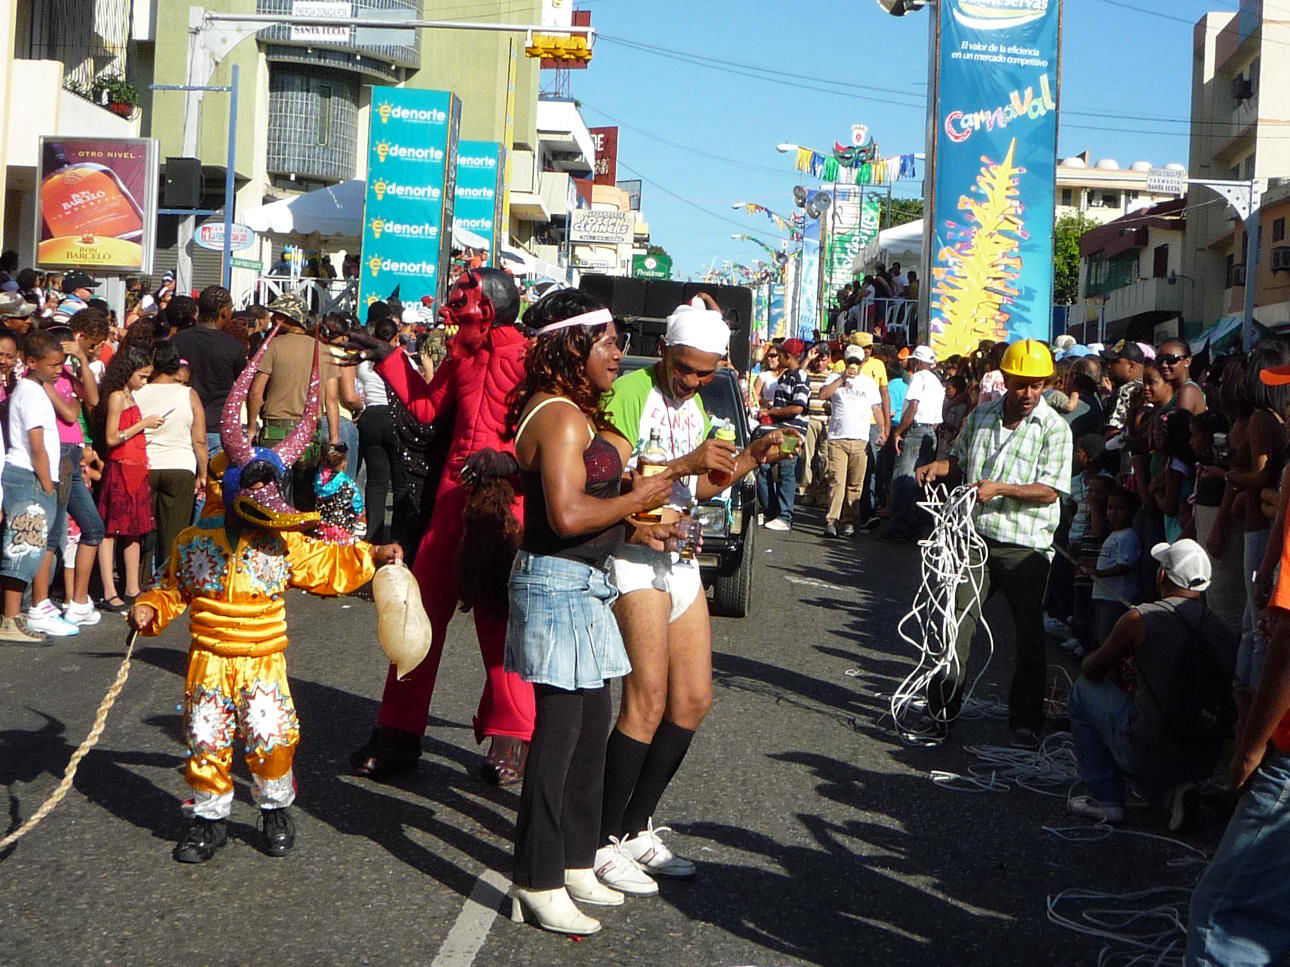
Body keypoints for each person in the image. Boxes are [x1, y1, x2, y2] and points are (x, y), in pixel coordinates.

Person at [130, 333, 402, 864]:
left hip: (263, 662)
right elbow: (170, 589)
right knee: (206, 739)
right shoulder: (195, 542)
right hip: (208, 660)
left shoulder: (286, 543)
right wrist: (149, 608)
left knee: (271, 737)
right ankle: (208, 820)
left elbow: (329, 565)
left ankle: (274, 809)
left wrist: (374, 557)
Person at [593, 295, 791, 895]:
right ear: (663, 352)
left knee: (694, 700)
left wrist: (753, 457)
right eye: (687, 368)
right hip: (633, 556)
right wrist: (687, 462)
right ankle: (599, 840)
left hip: (681, 559)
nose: (695, 381)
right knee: (646, 701)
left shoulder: (699, 402)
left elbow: (703, 486)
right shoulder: (632, 394)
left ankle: (636, 828)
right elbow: (608, 479)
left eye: (707, 372)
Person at [504, 292, 678, 934]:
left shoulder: (572, 412)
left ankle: (577, 860)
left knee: (587, 735)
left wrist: (637, 526)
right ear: (570, 346)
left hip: (584, 585)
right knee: (558, 742)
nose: (617, 351)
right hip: (555, 586)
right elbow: (568, 516)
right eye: (605, 340)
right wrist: (642, 494)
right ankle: (536, 876)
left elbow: (587, 518)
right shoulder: (560, 418)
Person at [347, 268, 535, 786]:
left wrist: (507, 457)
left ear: (489, 308)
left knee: (501, 624)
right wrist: (386, 358)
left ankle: (514, 736)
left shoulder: (529, 359)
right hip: (453, 500)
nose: (452, 313)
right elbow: (429, 407)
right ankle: (397, 732)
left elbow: (552, 433)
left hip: (504, 505)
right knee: (417, 612)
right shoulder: (462, 356)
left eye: (462, 303)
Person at [914, 339, 1073, 747]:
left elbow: (1051, 491)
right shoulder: (980, 415)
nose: (1030, 394)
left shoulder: (1055, 428)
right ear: (1005, 380)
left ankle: (1025, 721)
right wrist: (939, 466)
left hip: (1026, 547)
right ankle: (940, 713)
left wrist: (1000, 489)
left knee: (1029, 636)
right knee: (953, 625)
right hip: (975, 539)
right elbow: (961, 461)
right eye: (1022, 384)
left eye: (1038, 385)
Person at [1067, 539, 1236, 827]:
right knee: (1156, 722)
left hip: (1148, 751)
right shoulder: (1223, 630)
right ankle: (1175, 794)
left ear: (1162, 575)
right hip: (1204, 758)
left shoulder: (1141, 618)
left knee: (1083, 690)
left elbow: (1093, 669)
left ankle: (1106, 798)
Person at [0, 331, 69, 643]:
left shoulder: (36, 391)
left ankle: (13, 617)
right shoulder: (29, 393)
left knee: (29, 547)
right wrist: (46, 483)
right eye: (53, 364)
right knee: (22, 546)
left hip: (33, 475)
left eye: (61, 364)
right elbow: (36, 444)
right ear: (31, 362)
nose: (58, 370)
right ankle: (10, 618)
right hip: (28, 475)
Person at [247, 294, 339, 511]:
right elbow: (332, 399)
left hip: (275, 431)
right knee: (305, 498)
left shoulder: (273, 346)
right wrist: (334, 440)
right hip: (309, 434)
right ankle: (300, 542)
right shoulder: (323, 350)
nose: (272, 320)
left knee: (272, 498)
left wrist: (251, 427)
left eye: (276, 316)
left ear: (287, 319)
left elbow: (255, 392)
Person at [95, 346, 162, 612]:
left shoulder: (129, 396)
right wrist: (142, 425)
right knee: (111, 530)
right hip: (120, 468)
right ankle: (110, 590)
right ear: (128, 372)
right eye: (142, 376)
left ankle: (132, 587)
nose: (144, 382)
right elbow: (112, 437)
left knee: (134, 530)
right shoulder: (116, 397)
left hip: (136, 468)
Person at [135, 341, 208, 576]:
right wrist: (203, 472)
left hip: (144, 465)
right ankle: (168, 584)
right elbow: (199, 439)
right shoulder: (188, 393)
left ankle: (139, 582)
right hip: (181, 466)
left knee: (143, 531)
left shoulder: (137, 392)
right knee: (174, 534)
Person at [172, 285, 246, 460]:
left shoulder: (177, 340)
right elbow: (243, 385)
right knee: (214, 485)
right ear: (224, 311)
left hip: (183, 425)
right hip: (217, 428)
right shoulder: (233, 346)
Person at [817, 344, 883, 537]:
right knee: (837, 480)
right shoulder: (835, 378)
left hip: (860, 439)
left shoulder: (869, 383)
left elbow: (877, 408)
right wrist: (842, 378)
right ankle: (832, 520)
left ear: (863, 362)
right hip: (838, 437)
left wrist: (883, 429)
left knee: (855, 483)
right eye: (850, 361)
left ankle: (848, 521)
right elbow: (823, 395)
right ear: (845, 362)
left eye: (857, 362)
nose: (853, 365)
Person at [882, 345, 944, 541]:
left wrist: (899, 432)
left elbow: (913, 407)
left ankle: (898, 528)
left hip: (917, 430)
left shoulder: (919, 378)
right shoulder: (937, 382)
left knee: (904, 480)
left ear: (917, 362)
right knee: (921, 482)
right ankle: (916, 528)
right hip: (931, 433)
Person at [354, 315, 403, 547]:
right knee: (399, 480)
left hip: (371, 417)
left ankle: (373, 538)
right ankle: (398, 537)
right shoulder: (402, 360)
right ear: (395, 338)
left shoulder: (364, 364)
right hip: (395, 418)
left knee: (376, 481)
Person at [757, 339, 810, 531]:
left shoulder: (800, 377)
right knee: (763, 465)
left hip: (792, 432)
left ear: (788, 356)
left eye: (779, 355)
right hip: (779, 429)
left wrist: (770, 413)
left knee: (787, 469)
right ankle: (771, 511)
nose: (777, 358)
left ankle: (785, 516)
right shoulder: (786, 376)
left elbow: (797, 407)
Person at [314, 442, 365, 545]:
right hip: (343, 530)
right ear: (344, 463)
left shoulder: (318, 480)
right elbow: (358, 507)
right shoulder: (347, 483)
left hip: (322, 528)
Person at [1156, 338, 1206, 415]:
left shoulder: (1188, 390)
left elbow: (1179, 425)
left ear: (1187, 362)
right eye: (1159, 360)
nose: (1164, 365)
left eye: (1171, 359)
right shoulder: (1176, 391)